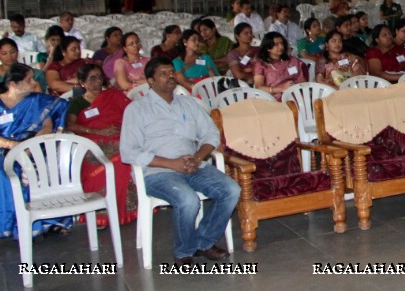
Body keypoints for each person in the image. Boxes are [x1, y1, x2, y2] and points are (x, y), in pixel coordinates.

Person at [120, 57, 240, 267]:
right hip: (157, 171)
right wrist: (171, 163)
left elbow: (211, 134)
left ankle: (205, 242)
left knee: (231, 190)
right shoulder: (137, 109)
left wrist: (197, 158)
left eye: (171, 73)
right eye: (163, 74)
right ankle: (184, 251)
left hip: (193, 165)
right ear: (150, 81)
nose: (170, 77)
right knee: (188, 200)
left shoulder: (188, 103)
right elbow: (128, 152)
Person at [0, 64, 75, 237]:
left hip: (31, 149)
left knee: (47, 168)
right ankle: (12, 224)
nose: (34, 83)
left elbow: (48, 122)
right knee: (7, 175)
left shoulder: (36, 100)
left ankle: (48, 221)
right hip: (4, 150)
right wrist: (12, 145)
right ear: (13, 84)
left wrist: (36, 140)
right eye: (29, 80)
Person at [66, 63, 137, 226]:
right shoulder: (78, 102)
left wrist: (121, 128)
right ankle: (101, 214)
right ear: (82, 82)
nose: (97, 81)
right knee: (104, 162)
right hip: (91, 139)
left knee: (125, 154)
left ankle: (128, 209)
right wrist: (97, 131)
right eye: (92, 78)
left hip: (117, 136)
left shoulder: (113, 95)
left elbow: (133, 112)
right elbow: (71, 126)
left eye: (99, 77)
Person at [253, 32, 305, 100]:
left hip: (294, 95)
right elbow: (259, 87)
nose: (281, 47)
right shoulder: (261, 65)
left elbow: (302, 80)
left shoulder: (292, 60)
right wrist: (280, 88)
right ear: (268, 48)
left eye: (282, 43)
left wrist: (294, 85)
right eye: (276, 44)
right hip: (272, 99)